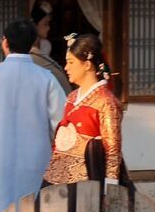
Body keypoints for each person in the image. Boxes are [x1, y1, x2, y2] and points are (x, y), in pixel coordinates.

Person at [0, 17, 64, 212]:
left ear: (5, 42)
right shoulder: (46, 78)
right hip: (36, 156)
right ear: (33, 43)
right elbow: (60, 123)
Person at [43, 34, 124, 186]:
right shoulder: (72, 97)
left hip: (87, 176)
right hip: (58, 170)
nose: (66, 68)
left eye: (71, 62)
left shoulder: (105, 101)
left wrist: (110, 186)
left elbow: (112, 149)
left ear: (87, 65)